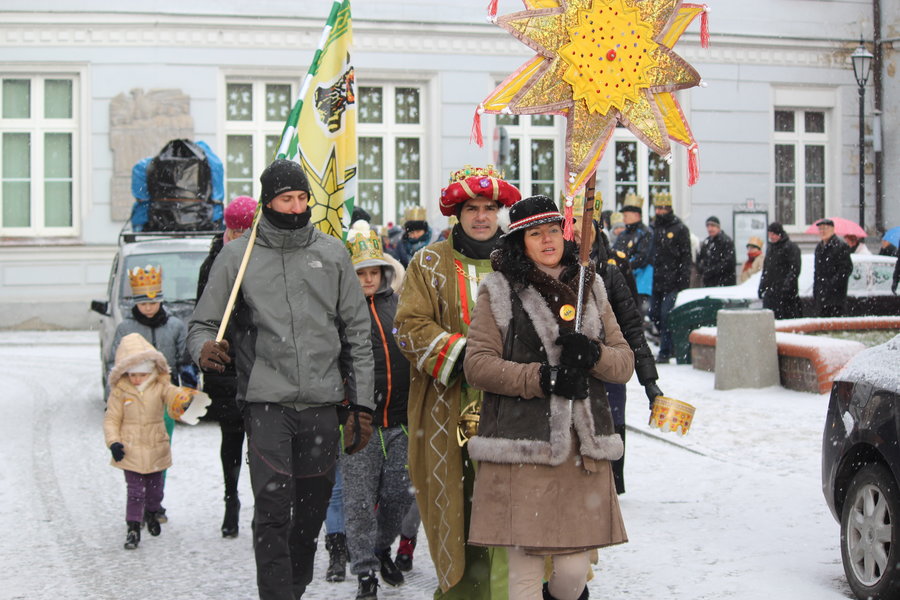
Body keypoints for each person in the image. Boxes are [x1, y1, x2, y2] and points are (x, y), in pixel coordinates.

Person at [187, 158, 375, 600]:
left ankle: (294, 587)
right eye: (286, 199)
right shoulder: (239, 255)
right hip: (266, 402)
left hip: (322, 404)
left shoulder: (332, 254)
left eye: (302, 198)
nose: (296, 207)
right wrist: (203, 348)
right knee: (272, 510)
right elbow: (201, 324)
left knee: (310, 514)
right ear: (267, 202)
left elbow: (358, 336)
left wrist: (362, 405)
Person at [463, 195, 634, 600]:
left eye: (553, 231)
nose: (547, 241)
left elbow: (623, 363)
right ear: (519, 242)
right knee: (523, 574)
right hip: (523, 448)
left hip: (581, 453)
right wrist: (544, 378)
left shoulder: (589, 286)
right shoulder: (499, 290)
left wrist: (594, 355)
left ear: (565, 233)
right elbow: (479, 365)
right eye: (535, 234)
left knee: (574, 574)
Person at [393, 164, 520, 599]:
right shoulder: (427, 263)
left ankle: (512, 590)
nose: (481, 217)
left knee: (514, 505)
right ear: (457, 213)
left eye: (488, 208)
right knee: (458, 508)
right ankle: (467, 591)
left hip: (515, 409)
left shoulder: (521, 261)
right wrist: (465, 354)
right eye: (472, 208)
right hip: (447, 410)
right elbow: (408, 326)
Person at [343, 229, 415, 600]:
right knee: (357, 502)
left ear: (385, 272)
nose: (368, 279)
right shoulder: (341, 314)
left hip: (401, 421)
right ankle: (365, 573)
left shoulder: (400, 307)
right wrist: (346, 406)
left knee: (397, 499)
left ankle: (380, 549)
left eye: (374, 271)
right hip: (360, 424)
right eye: (360, 273)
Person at [572, 201, 662, 495]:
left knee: (611, 425)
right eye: (569, 223)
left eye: (582, 223)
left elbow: (632, 327)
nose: (574, 230)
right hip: (568, 369)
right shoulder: (554, 267)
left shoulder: (612, 270)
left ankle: (610, 488)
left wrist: (650, 382)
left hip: (607, 367)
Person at [107, 262, 191, 525]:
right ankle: (138, 499)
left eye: (153, 303)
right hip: (132, 397)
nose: (149, 308)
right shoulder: (126, 329)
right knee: (135, 451)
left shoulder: (176, 326)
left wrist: (187, 385)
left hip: (162, 397)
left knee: (158, 449)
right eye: (144, 304)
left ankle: (155, 502)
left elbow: (184, 357)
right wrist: (117, 393)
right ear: (136, 303)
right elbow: (115, 361)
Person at [196, 195, 257, 538]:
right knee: (231, 437)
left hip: (258, 358)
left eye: (244, 230)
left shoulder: (260, 259)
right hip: (225, 363)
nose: (238, 236)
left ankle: (260, 505)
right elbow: (203, 313)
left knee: (261, 439)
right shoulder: (213, 262)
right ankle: (231, 499)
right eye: (234, 230)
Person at [103, 333, 199, 550]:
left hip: (156, 448)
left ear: (151, 371)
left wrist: (185, 400)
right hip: (131, 450)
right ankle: (133, 528)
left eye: (142, 374)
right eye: (133, 374)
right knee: (135, 492)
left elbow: (174, 395)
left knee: (155, 490)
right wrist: (114, 442)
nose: (136, 379)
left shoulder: (160, 386)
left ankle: (153, 511)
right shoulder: (120, 392)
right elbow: (111, 420)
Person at [649, 194, 692, 363]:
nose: (659, 211)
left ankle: (665, 351)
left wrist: (683, 279)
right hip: (657, 280)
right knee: (654, 314)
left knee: (666, 315)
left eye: (662, 208)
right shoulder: (654, 228)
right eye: (657, 208)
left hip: (673, 280)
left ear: (669, 209)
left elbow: (686, 257)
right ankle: (668, 344)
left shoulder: (680, 228)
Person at [613, 194, 653, 314]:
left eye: (626, 215)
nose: (623, 219)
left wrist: (625, 266)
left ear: (636, 215)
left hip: (639, 282)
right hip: (623, 280)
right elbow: (615, 252)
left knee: (636, 313)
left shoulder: (646, 233)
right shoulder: (623, 234)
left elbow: (642, 257)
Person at [758, 223, 802, 320]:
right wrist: (762, 286)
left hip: (786, 295)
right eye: (769, 234)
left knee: (786, 320)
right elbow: (766, 270)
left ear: (780, 234)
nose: (771, 237)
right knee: (769, 321)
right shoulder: (770, 248)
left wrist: (786, 286)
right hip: (771, 293)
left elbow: (795, 269)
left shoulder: (791, 248)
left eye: (773, 234)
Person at [813, 219, 853, 318]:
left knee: (834, 321)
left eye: (825, 228)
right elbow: (817, 271)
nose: (822, 231)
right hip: (821, 296)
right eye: (820, 229)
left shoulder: (840, 246)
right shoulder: (819, 247)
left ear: (832, 229)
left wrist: (832, 284)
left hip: (836, 297)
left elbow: (846, 268)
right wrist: (817, 289)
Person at [695, 216, 736, 287]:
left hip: (723, 282)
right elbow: (700, 258)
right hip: (709, 282)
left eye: (712, 226)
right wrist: (702, 269)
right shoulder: (707, 242)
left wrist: (711, 270)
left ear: (718, 227)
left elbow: (729, 263)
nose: (710, 229)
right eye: (708, 226)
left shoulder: (726, 241)